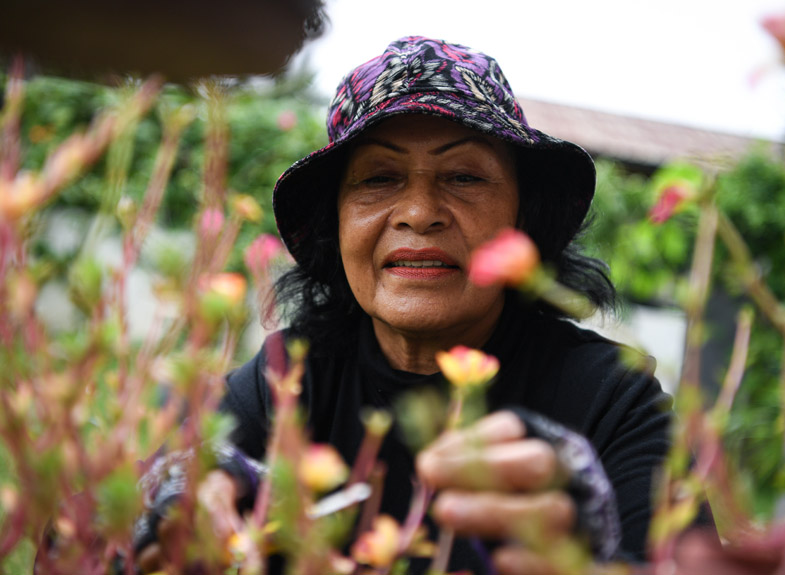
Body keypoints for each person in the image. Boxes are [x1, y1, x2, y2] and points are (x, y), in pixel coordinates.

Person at [135, 36, 673, 575]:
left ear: (522, 216)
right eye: (379, 178)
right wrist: (182, 495)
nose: (419, 212)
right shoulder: (287, 380)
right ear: (336, 224)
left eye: (463, 177)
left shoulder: (612, 398)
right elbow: (134, 503)